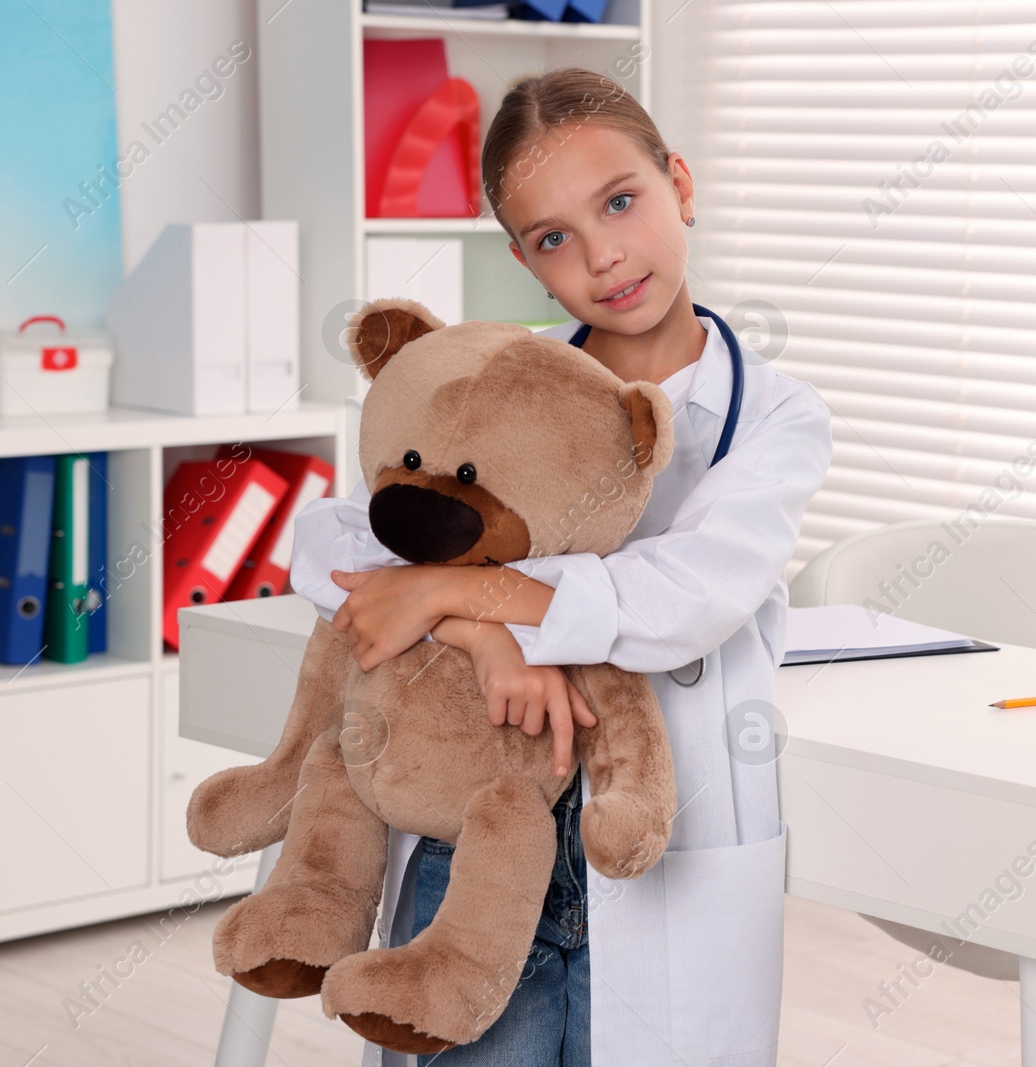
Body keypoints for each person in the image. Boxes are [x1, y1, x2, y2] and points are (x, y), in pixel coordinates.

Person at [289, 66, 833, 1067]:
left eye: (620, 201)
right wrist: (485, 636)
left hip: (654, 845)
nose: (603, 256)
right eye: (553, 238)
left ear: (679, 181)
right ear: (524, 261)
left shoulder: (778, 415)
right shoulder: (495, 378)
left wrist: (455, 588)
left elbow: (685, 598)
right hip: (475, 843)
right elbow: (333, 538)